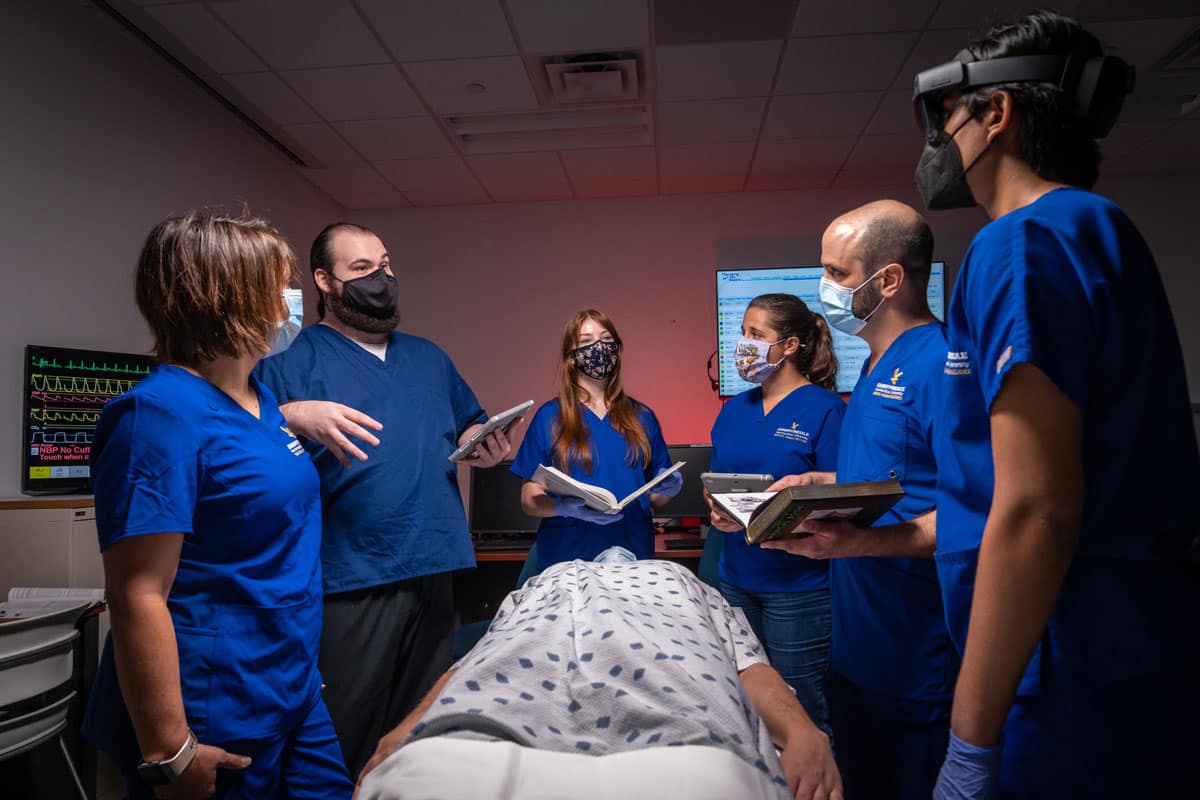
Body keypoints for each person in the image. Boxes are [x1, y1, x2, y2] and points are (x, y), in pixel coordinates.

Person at [909, 11, 1200, 798]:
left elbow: (1037, 510)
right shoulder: (1096, 230)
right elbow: (1000, 491)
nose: (938, 148)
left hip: (1063, 671)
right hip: (1123, 658)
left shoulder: (1021, 243)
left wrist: (969, 744)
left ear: (995, 113)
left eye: (947, 122)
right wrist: (863, 540)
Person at [83, 212, 353, 798]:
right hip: (212, 707)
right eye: (279, 285)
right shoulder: (156, 417)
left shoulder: (262, 401)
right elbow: (137, 593)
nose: (293, 301)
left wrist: (296, 671)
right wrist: (168, 750)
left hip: (289, 685)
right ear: (224, 296)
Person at [253, 222, 514, 776]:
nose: (381, 278)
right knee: (344, 731)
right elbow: (238, 438)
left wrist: (483, 441)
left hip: (434, 563)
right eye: (362, 269)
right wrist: (293, 415)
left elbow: (470, 422)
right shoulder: (289, 366)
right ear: (324, 281)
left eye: (386, 264)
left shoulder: (428, 359)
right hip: (352, 577)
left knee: (422, 734)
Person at [354, 558, 843, 800]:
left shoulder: (680, 579)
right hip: (688, 756)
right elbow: (479, 659)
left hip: (471, 753)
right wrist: (406, 731)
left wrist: (804, 733)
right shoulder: (541, 583)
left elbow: (745, 664)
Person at [763, 200, 956, 798]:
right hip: (859, 651)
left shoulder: (941, 365)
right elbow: (891, 480)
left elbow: (980, 513)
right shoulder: (873, 367)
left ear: (889, 279)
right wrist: (817, 485)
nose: (825, 288)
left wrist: (862, 541)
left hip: (915, 659)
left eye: (838, 274)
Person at [704, 294, 844, 736]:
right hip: (736, 581)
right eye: (743, 333)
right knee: (746, 707)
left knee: (801, 713)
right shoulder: (733, 410)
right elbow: (724, 484)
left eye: (756, 335)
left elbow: (844, 490)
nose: (743, 344)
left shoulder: (825, 409)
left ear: (789, 346)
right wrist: (718, 511)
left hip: (797, 588)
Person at [511, 309, 682, 569]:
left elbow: (656, 498)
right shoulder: (549, 418)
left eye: (605, 339)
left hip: (632, 553)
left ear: (617, 349)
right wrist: (563, 508)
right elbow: (529, 498)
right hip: (567, 558)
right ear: (571, 357)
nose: (599, 347)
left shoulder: (642, 417)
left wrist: (668, 488)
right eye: (587, 341)